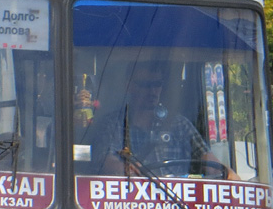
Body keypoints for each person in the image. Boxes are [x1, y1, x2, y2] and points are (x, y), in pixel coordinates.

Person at [92, 63, 237, 179]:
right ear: (129, 86)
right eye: (146, 85)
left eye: (157, 85)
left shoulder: (179, 124)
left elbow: (211, 163)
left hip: (177, 206)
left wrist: (230, 176)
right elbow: (107, 163)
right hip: (131, 205)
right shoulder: (114, 124)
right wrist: (125, 169)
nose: (153, 92)